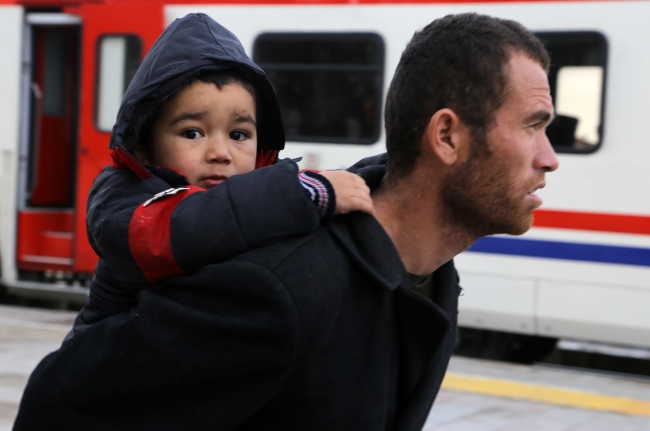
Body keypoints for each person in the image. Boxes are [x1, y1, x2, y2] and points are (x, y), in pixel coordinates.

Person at [13, 13, 559, 431]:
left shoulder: (431, 280)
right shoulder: (278, 287)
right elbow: (59, 407)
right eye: (534, 126)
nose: (549, 157)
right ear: (446, 136)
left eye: (240, 134)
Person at [69, 13, 373, 338]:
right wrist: (302, 194)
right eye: (192, 133)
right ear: (144, 147)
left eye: (239, 135)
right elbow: (190, 225)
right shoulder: (126, 206)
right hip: (106, 378)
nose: (221, 152)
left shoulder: (246, 208)